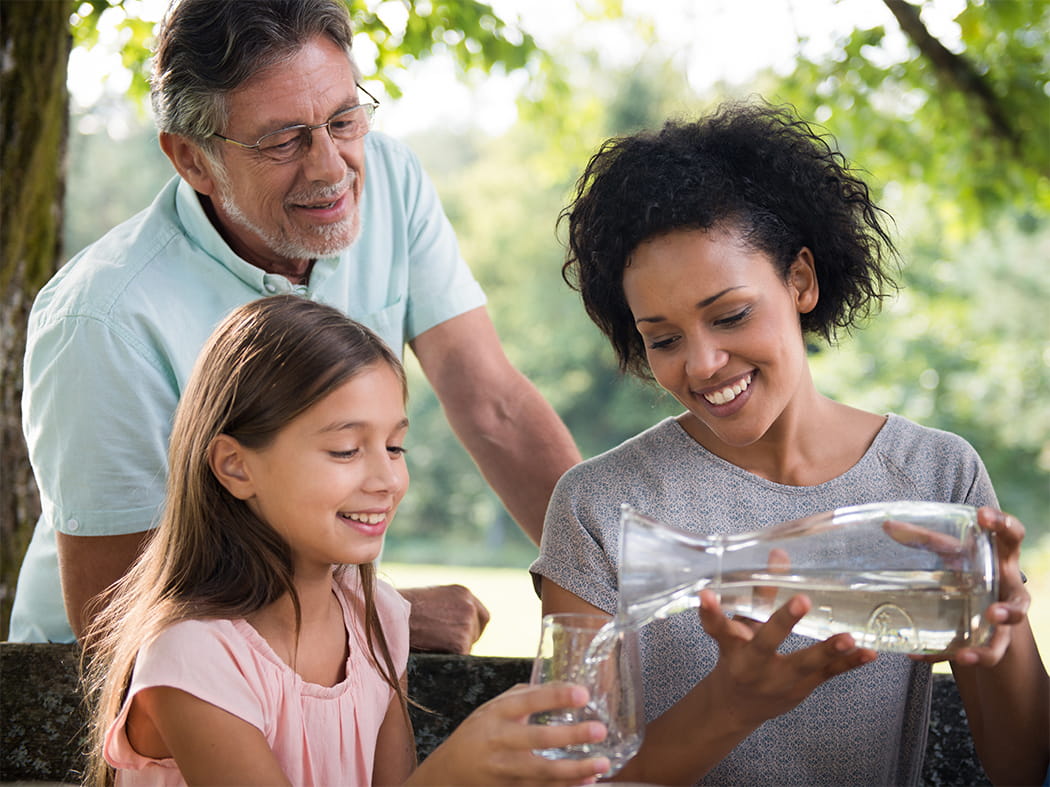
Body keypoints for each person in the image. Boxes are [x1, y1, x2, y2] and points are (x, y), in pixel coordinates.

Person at [11, 0, 581, 651]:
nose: (331, 167)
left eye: (343, 119)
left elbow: (494, 404)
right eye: (281, 140)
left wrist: (615, 586)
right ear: (192, 160)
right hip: (109, 702)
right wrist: (372, 617)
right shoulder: (104, 316)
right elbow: (113, 613)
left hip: (311, 663)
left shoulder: (390, 178)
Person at [532, 100, 1048, 785]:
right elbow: (570, 780)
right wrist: (730, 705)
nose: (703, 362)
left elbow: (1020, 765)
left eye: (731, 314)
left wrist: (999, 617)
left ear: (800, 279)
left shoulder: (934, 474)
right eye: (663, 338)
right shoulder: (601, 506)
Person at [82, 295, 610, 787]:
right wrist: (452, 772)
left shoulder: (374, 615)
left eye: (395, 446)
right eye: (344, 450)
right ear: (235, 466)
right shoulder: (195, 657)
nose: (386, 479)